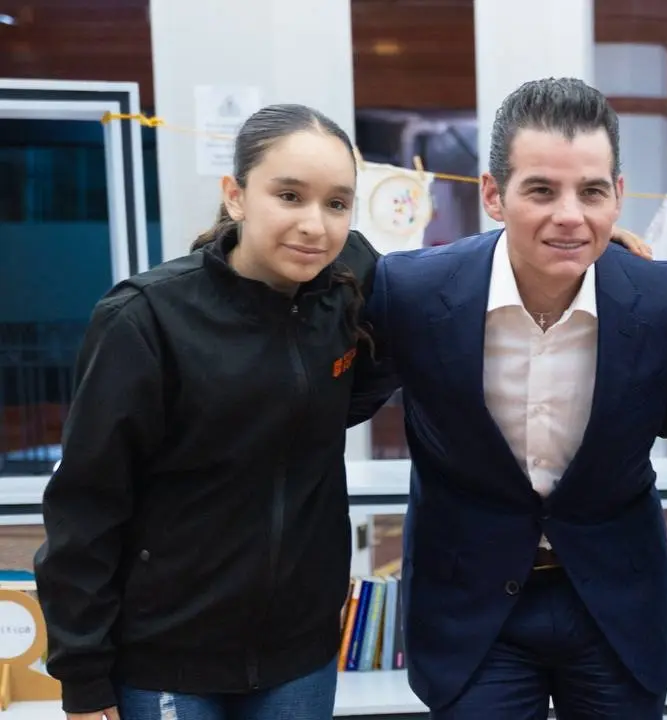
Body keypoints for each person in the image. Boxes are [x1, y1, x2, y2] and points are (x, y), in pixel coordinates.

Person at [32, 103, 400, 720]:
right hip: (165, 658)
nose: (315, 224)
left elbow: (454, 283)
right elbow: (85, 508)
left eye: (337, 203)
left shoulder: (349, 284)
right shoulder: (145, 320)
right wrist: (84, 679)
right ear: (236, 196)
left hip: (299, 657)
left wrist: (596, 255)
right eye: (289, 195)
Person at [364, 77, 667, 719]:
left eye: (592, 191)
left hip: (616, 608)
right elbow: (329, 398)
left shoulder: (666, 302)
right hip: (472, 615)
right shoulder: (411, 294)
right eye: (542, 190)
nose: (570, 215)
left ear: (618, 197)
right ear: (494, 195)